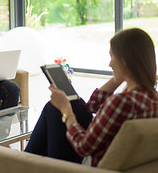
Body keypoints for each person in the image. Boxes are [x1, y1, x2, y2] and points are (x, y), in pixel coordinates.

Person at [25, 28, 158, 166]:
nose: (110, 63)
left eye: (112, 56)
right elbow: (91, 107)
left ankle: (18, 162)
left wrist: (66, 111)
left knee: (54, 109)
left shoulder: (122, 102)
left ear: (124, 61)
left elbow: (83, 146)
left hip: (86, 166)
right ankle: (24, 160)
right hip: (122, 161)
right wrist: (120, 77)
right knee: (76, 103)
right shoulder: (152, 99)